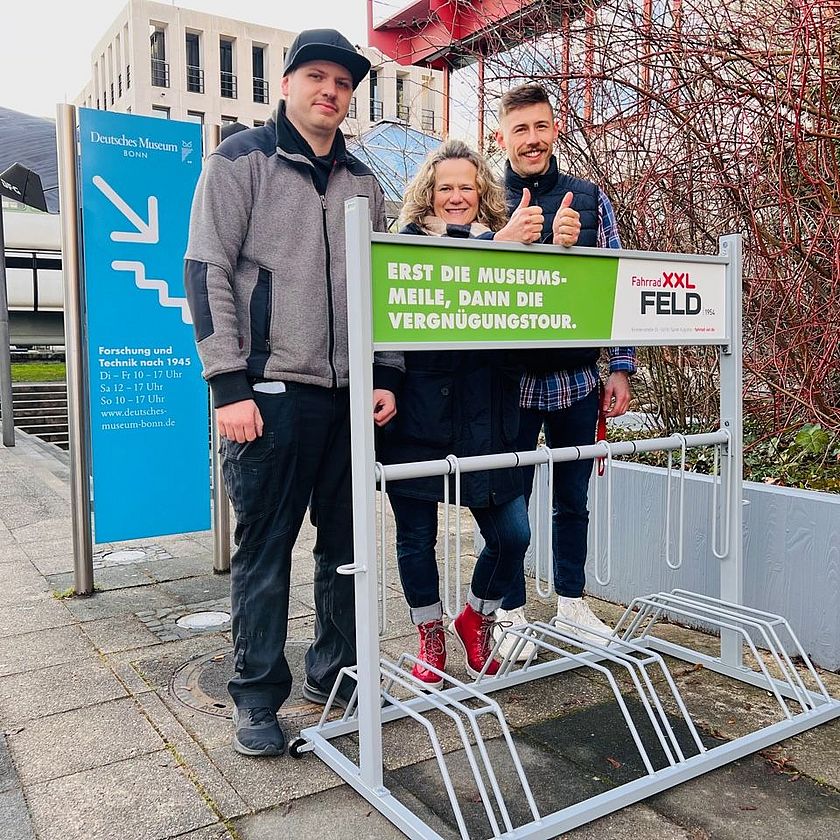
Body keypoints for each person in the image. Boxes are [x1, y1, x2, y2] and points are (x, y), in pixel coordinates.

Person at [184, 29, 403, 756]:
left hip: (348, 400)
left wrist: (386, 373)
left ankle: (335, 673)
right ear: (287, 84)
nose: (330, 92)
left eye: (342, 83)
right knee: (266, 549)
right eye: (316, 77)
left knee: (346, 548)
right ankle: (254, 695)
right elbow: (205, 271)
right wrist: (228, 384)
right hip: (269, 394)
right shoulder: (240, 162)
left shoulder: (364, 181)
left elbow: (382, 287)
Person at [380, 139, 543, 688]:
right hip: (418, 414)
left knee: (512, 534)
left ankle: (478, 615)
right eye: (445, 187)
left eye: (466, 188)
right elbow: (387, 329)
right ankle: (429, 632)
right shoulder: (403, 244)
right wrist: (385, 384)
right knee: (414, 538)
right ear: (429, 191)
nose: (456, 197)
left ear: (482, 194)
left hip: (490, 415)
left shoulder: (506, 245)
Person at [494, 83, 636, 655]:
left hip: (577, 378)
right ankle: (508, 612)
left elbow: (617, 283)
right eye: (519, 129)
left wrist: (620, 367)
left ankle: (573, 603)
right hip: (507, 382)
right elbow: (457, 277)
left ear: (556, 129)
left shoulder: (588, 197)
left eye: (541, 127)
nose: (532, 140)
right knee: (507, 503)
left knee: (573, 496)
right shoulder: (480, 197)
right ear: (500, 136)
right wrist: (505, 240)